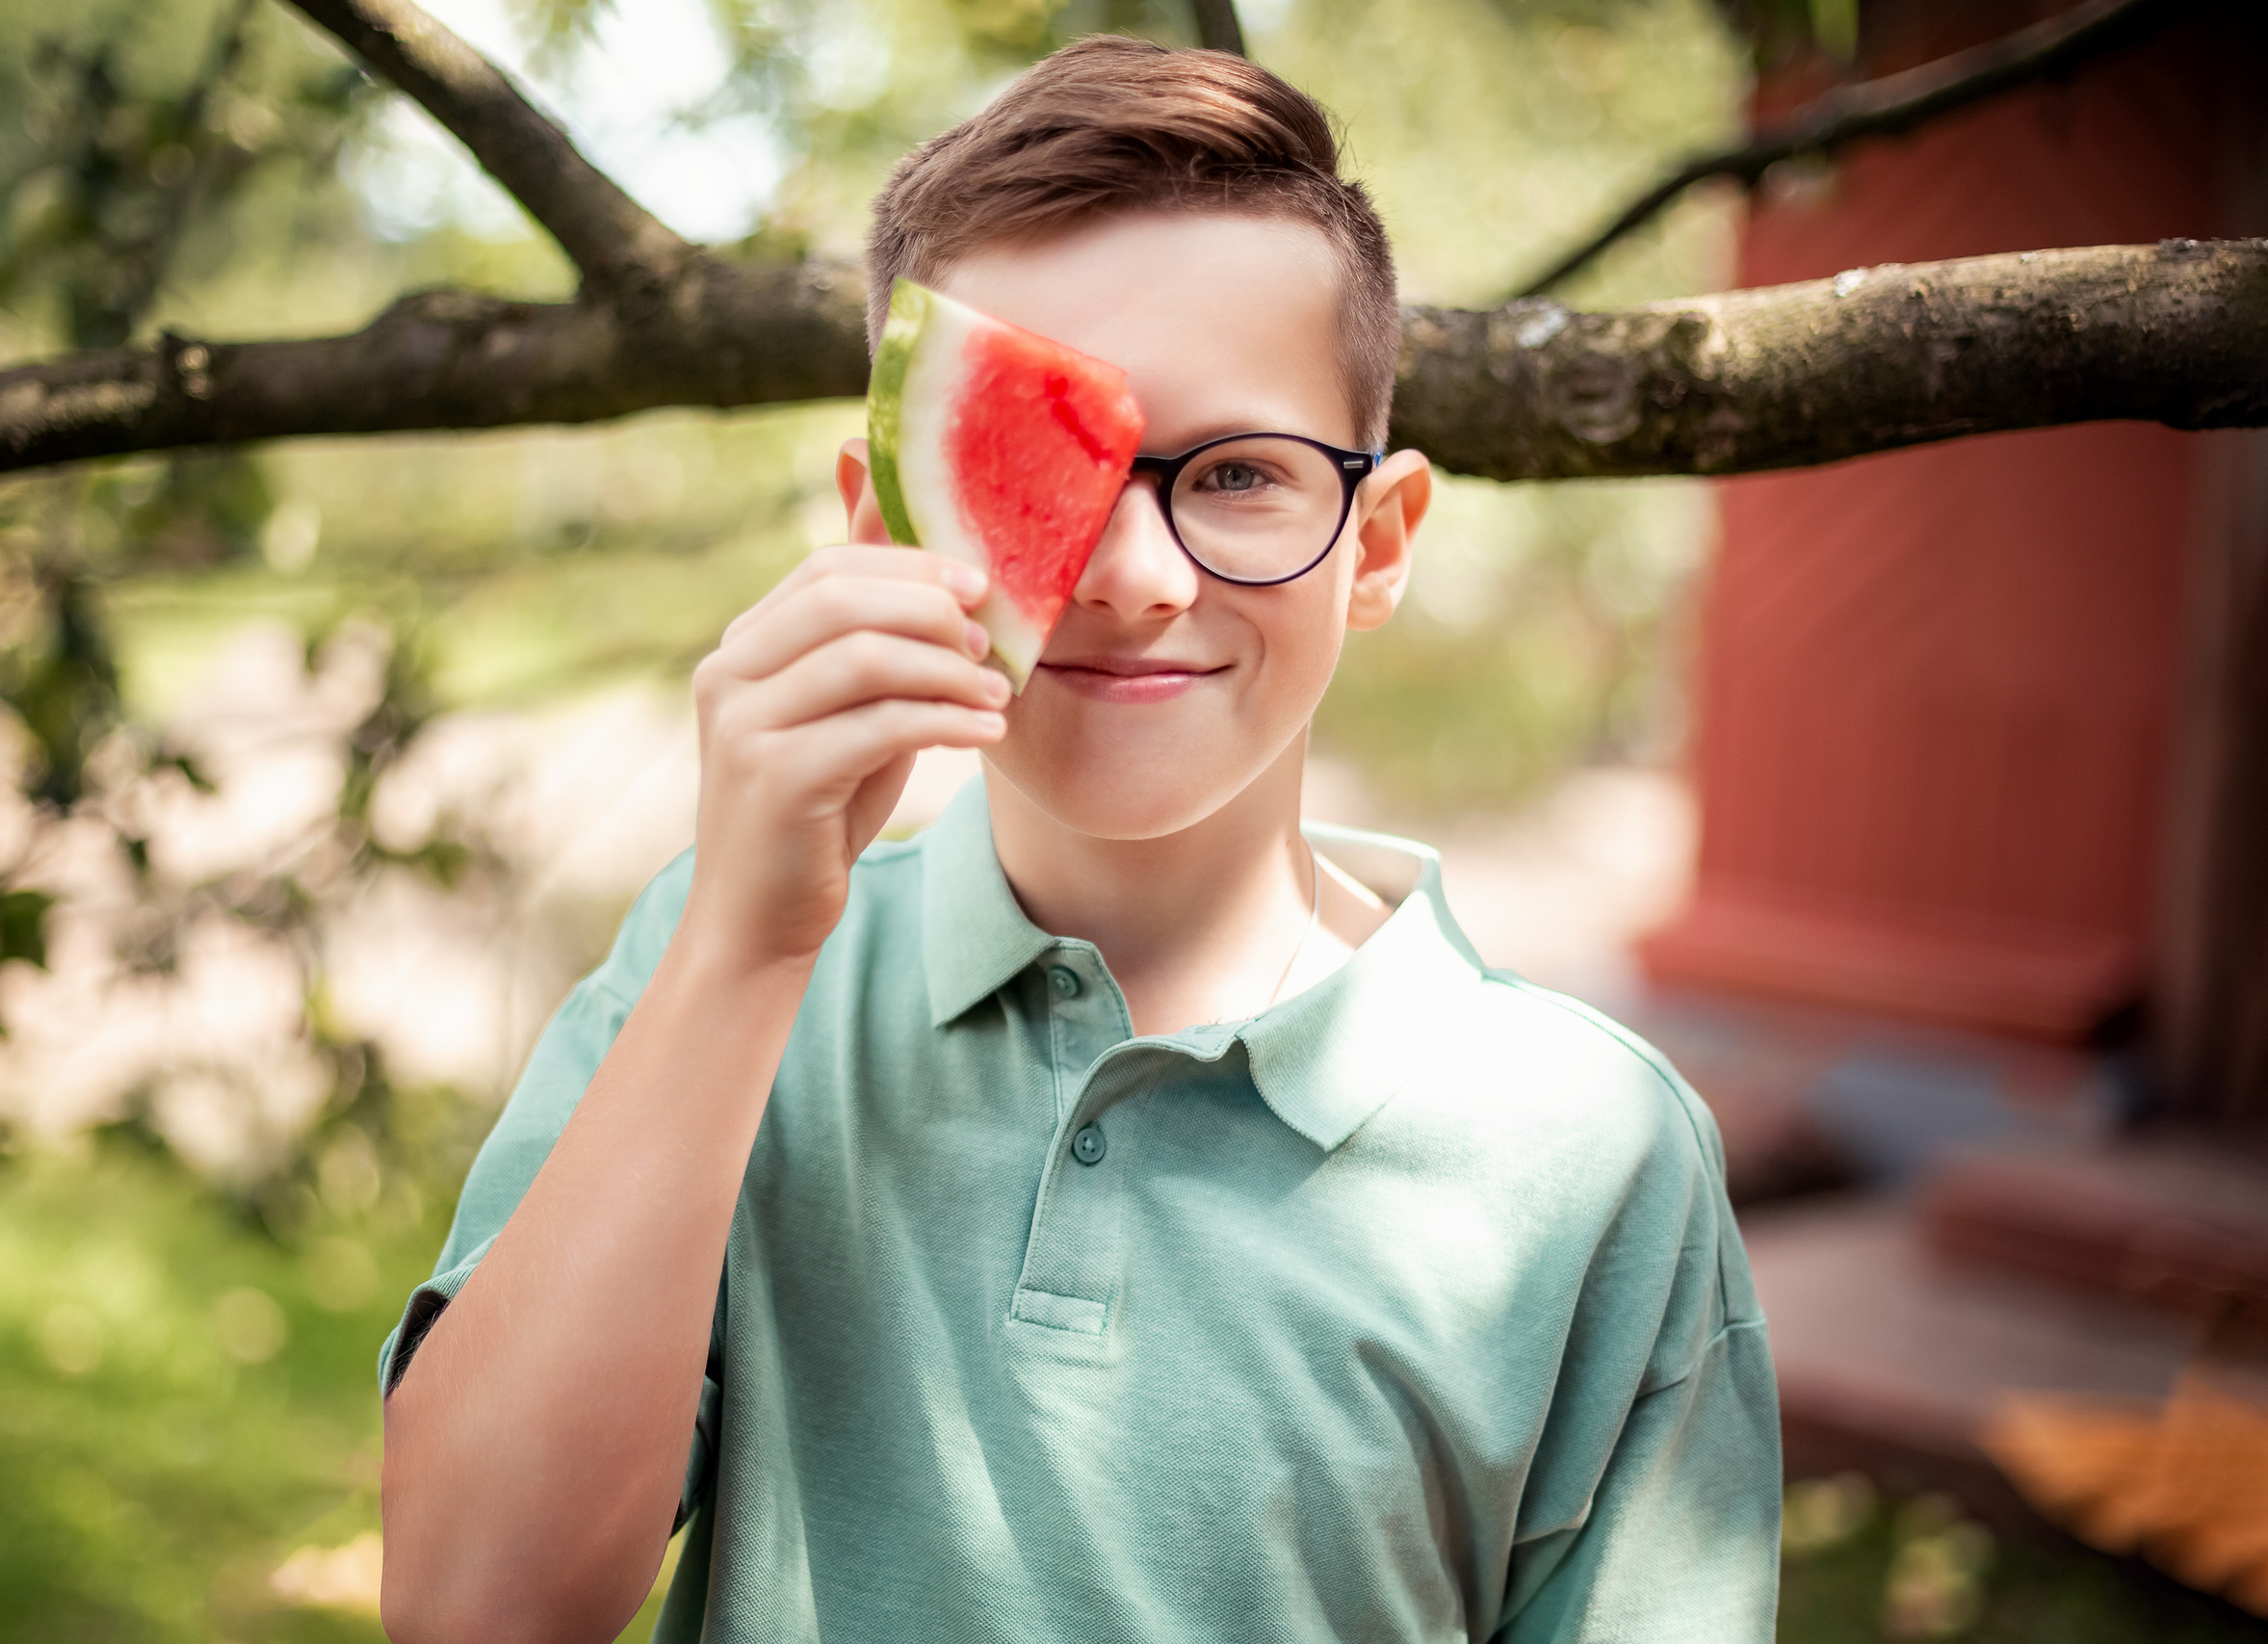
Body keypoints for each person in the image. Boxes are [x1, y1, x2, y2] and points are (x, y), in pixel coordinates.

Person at [375, 35, 1780, 1644]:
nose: (1137, 578)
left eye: (1240, 475)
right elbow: (470, 1611)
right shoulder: (714, 967)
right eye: (1043, 473)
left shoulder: (1593, 1157)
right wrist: (744, 954)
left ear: (1376, 544)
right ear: (886, 515)